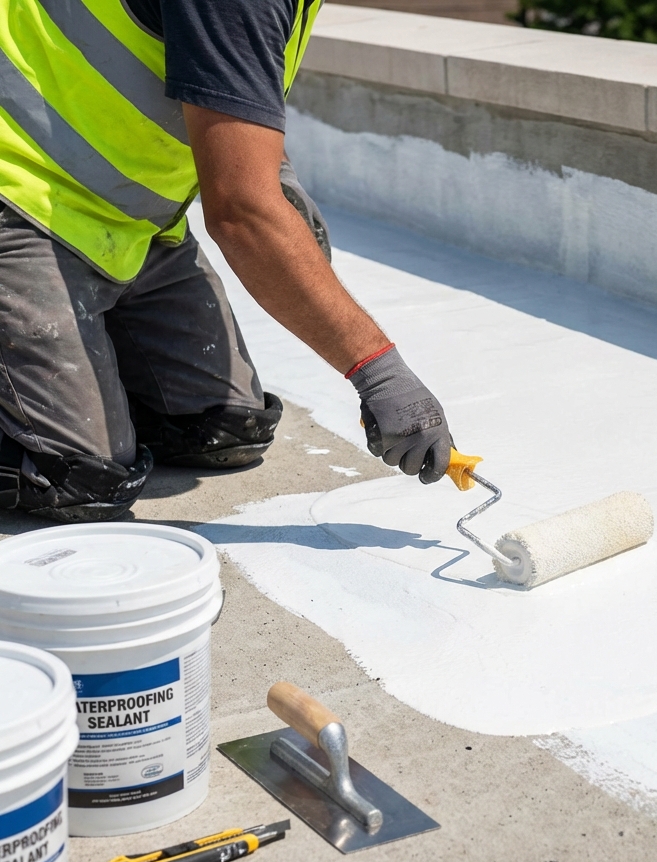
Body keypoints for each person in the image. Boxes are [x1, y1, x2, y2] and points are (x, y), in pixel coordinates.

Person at [0, 0, 452, 522]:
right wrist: (380, 375)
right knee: (78, 478)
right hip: (21, 197)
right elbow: (241, 215)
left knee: (223, 428)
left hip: (131, 222)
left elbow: (221, 71)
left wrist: (272, 171)